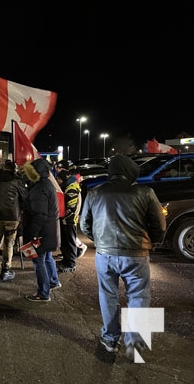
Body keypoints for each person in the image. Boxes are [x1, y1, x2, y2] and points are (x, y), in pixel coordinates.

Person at [80, 154, 166, 360]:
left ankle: (110, 339)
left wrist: (99, 241)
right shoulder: (145, 192)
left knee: (108, 295)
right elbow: (159, 224)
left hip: (105, 254)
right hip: (136, 254)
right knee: (138, 296)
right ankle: (134, 344)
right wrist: (153, 242)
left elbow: (84, 225)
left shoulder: (94, 193)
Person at [22, 158, 61, 302]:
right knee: (47, 258)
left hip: (41, 232)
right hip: (49, 230)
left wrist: (33, 233)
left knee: (39, 261)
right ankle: (53, 281)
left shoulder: (40, 188)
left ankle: (43, 293)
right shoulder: (47, 184)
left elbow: (40, 214)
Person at [0, 160, 27, 281]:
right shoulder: (18, 181)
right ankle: (5, 270)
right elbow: (24, 198)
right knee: (9, 243)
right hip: (12, 217)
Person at [55, 169, 85, 272]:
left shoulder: (71, 189)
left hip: (70, 220)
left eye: (58, 179)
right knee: (65, 242)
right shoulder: (67, 187)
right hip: (65, 220)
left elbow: (71, 207)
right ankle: (66, 260)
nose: (57, 181)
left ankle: (71, 263)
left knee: (70, 242)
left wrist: (62, 215)